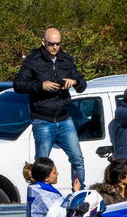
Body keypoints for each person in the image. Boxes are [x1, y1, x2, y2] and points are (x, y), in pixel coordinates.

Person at [13, 27, 88, 187]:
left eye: (57, 44)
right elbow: (18, 85)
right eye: (50, 44)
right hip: (43, 120)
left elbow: (83, 85)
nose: (54, 47)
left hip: (64, 118)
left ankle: (80, 194)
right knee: (42, 164)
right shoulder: (33, 60)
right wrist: (41, 86)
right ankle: (42, 194)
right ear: (43, 42)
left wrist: (74, 82)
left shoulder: (66, 60)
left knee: (77, 159)